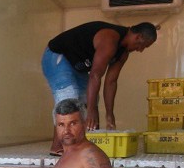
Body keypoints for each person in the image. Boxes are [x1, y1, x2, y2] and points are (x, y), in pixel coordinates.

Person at [42, 21, 158, 155]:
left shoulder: (123, 53)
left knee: (89, 99)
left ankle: (86, 143)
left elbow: (111, 82)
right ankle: (58, 147)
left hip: (76, 66)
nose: (140, 50)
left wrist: (109, 115)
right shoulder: (110, 38)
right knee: (69, 97)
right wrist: (90, 111)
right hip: (57, 56)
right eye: (142, 45)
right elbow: (95, 75)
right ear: (138, 37)